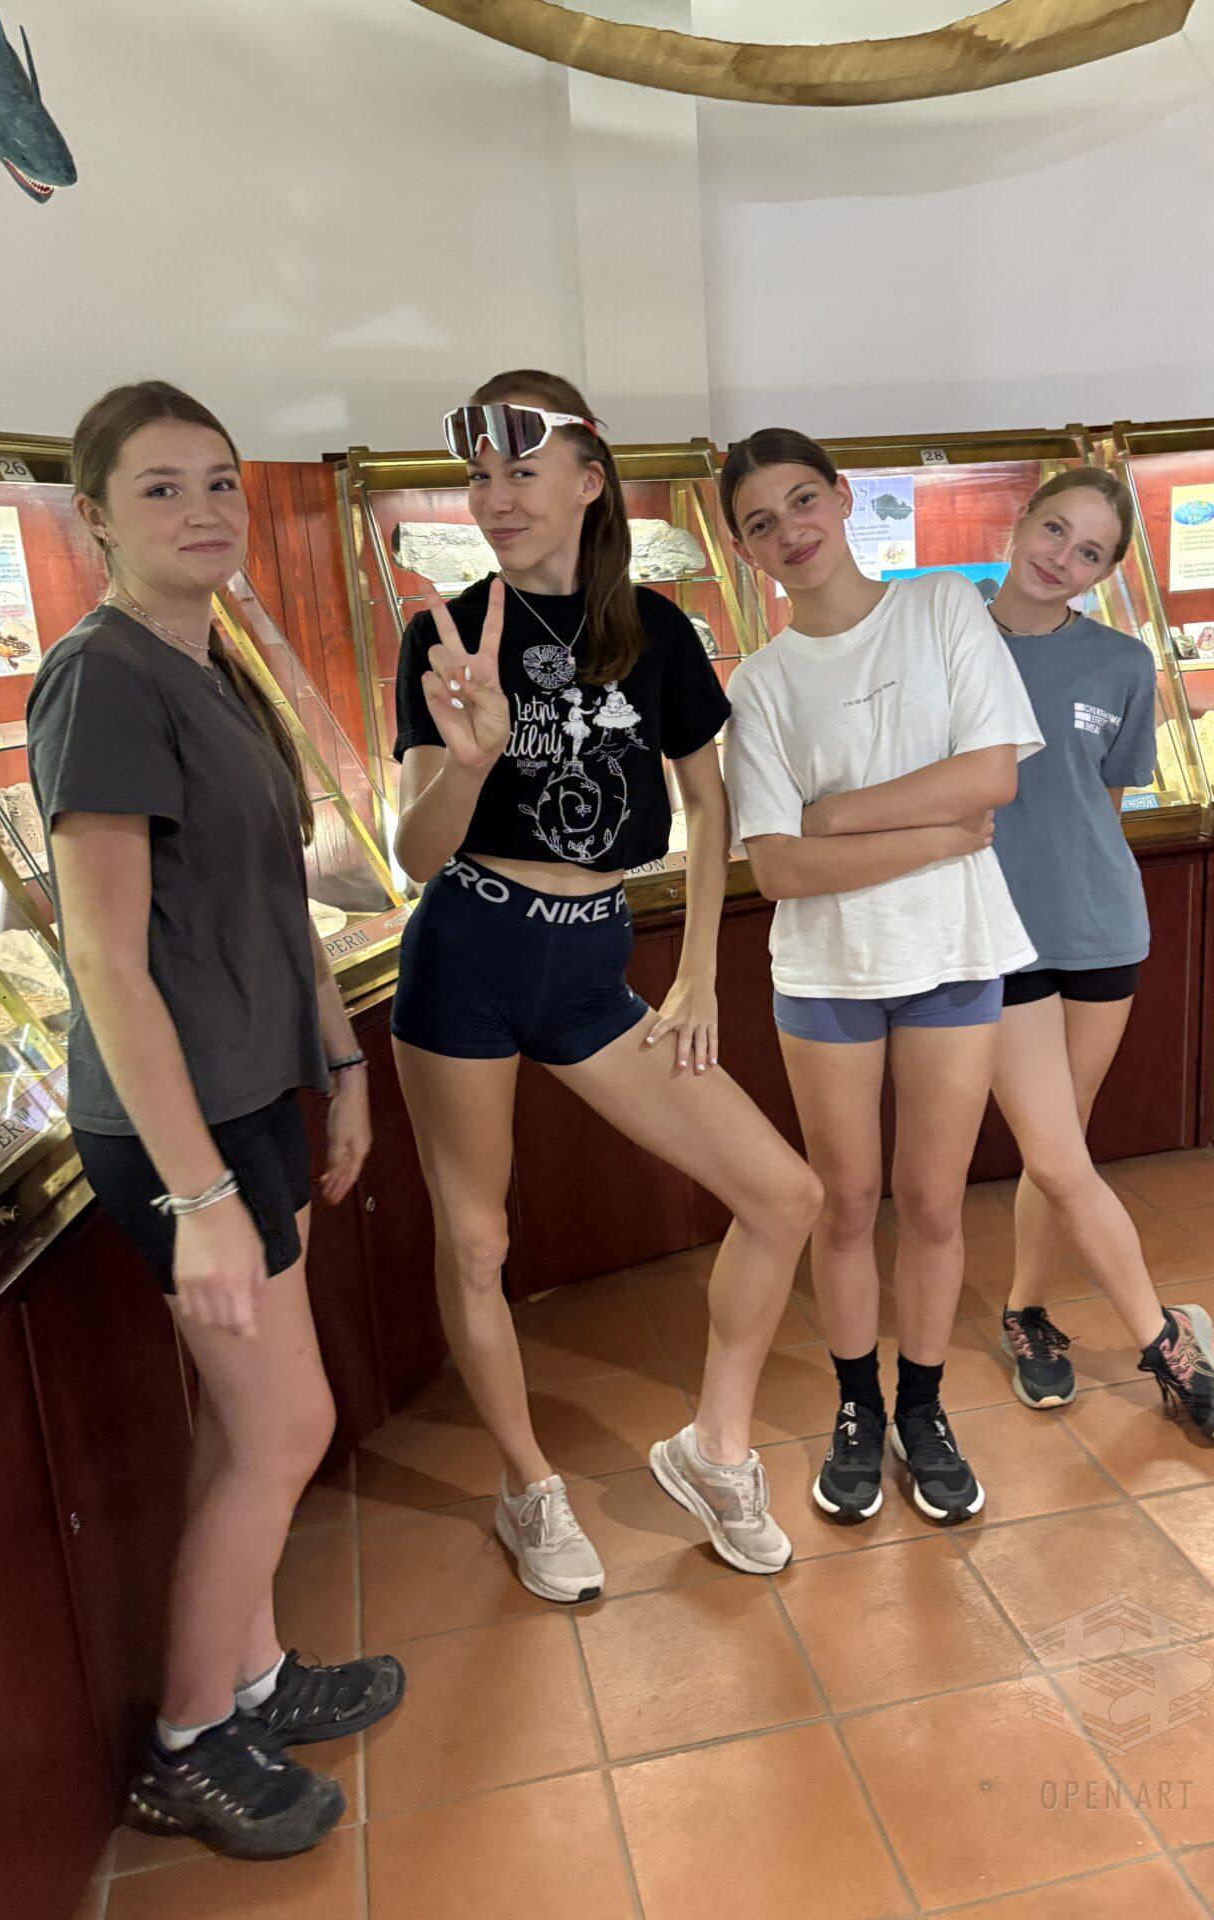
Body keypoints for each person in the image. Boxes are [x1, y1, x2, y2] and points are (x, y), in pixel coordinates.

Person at [26, 382, 404, 1861]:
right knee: (288, 1421)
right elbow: (106, 962)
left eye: (220, 484)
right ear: (95, 519)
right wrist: (194, 1198)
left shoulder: (217, 661)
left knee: (253, 1421)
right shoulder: (101, 679)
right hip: (174, 1129)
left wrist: (343, 1061)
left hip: (256, 1093)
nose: (203, 512)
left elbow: (276, 896)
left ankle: (251, 1677)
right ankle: (185, 1742)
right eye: (162, 488)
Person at [390, 370, 822, 1600]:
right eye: (479, 477)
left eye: (522, 472)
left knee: (782, 1194)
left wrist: (700, 975)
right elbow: (416, 853)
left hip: (593, 966)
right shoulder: (444, 634)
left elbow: (708, 804)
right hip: (467, 954)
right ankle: (528, 1484)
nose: (495, 498)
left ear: (589, 480)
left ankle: (715, 1449)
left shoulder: (659, 631)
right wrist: (471, 762)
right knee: (478, 1240)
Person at [721, 428, 1042, 1527]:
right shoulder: (760, 684)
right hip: (827, 968)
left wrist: (838, 814)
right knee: (848, 1202)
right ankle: (857, 1406)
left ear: (843, 497)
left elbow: (991, 774)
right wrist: (939, 833)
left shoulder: (942, 607)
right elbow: (779, 869)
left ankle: (923, 1405)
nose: (791, 532)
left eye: (802, 501)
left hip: (952, 951)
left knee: (935, 1201)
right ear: (744, 548)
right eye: (761, 523)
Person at [984, 467, 1214, 1439]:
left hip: (1097, 928)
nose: (1062, 558)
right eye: (1054, 530)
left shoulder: (1123, 663)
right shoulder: (946, 638)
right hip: (994, 936)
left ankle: (1026, 1309)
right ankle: (1161, 1337)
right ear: (1021, 523)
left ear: (1106, 571)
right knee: (1056, 1152)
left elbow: (1105, 803)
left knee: (1062, 1144)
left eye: (1088, 551)